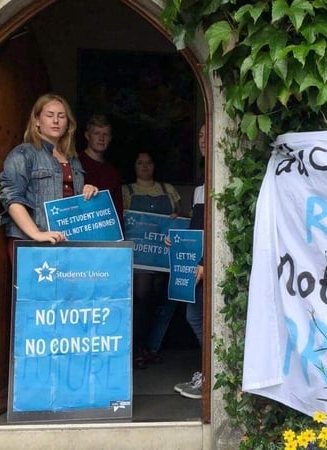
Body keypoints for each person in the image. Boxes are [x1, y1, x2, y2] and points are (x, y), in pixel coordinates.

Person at [0, 93, 99, 260]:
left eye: (61, 116)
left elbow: (74, 204)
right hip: (31, 243)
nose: (56, 121)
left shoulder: (73, 160)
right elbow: (11, 198)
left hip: (65, 241)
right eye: (49, 115)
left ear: (68, 124)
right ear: (37, 121)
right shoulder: (24, 153)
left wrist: (87, 191)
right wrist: (37, 233)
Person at [122, 151, 182, 369]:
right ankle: (136, 348)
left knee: (157, 302)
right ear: (134, 166)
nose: (145, 166)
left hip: (163, 256)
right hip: (139, 257)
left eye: (149, 162)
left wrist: (176, 218)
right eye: (140, 163)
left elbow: (180, 217)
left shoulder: (168, 190)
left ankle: (148, 348)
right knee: (141, 298)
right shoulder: (126, 191)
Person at [172, 123, 207, 399]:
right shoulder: (200, 186)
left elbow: (218, 229)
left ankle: (210, 374)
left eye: (209, 133)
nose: (203, 139)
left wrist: (207, 262)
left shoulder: (219, 181)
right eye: (199, 133)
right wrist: (178, 239)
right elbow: (198, 228)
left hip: (205, 266)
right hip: (195, 265)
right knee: (194, 315)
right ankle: (208, 372)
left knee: (199, 316)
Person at [78, 114, 124, 227]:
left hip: (107, 233)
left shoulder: (113, 173)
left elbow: (118, 211)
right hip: (81, 229)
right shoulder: (75, 164)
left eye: (105, 134)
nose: (101, 138)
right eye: (97, 133)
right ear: (87, 136)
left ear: (110, 138)